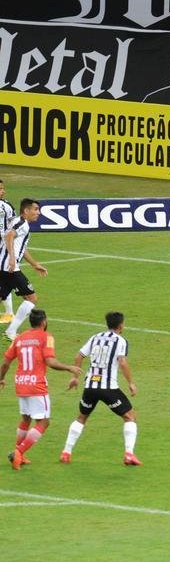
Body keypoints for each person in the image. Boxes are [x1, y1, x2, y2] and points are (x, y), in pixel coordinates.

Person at [0, 309, 81, 470]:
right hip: (36, 385)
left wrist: (1, 378)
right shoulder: (46, 336)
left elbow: (6, 362)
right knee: (43, 422)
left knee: (25, 419)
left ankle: (19, 455)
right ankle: (19, 451)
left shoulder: (20, 338)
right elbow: (50, 362)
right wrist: (69, 368)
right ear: (44, 322)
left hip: (20, 383)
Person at [60, 311, 141, 466]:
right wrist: (131, 383)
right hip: (108, 387)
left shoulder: (95, 337)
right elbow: (122, 362)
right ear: (121, 325)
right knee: (130, 417)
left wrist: (75, 377)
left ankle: (66, 452)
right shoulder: (121, 341)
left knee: (81, 417)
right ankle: (129, 454)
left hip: (90, 385)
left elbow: (79, 356)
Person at [1, 199, 47, 340]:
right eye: (35, 209)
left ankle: (10, 331)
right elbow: (9, 236)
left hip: (5, 266)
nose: (38, 212)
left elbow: (20, 247)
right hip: (9, 268)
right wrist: (12, 259)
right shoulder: (21, 224)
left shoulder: (21, 222)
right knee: (31, 298)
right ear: (26, 211)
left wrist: (34, 264)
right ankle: (11, 332)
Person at [0, 179, 14, 323]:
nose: (3, 191)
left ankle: (9, 313)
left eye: (3, 188)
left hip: (2, 247)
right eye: (0, 189)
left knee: (3, 279)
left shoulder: (5, 206)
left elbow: (10, 228)